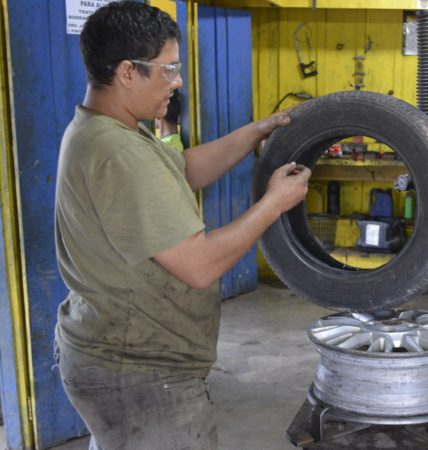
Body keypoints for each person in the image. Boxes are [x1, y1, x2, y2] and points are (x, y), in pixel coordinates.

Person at [53, 2, 310, 449]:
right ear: (127, 72)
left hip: (115, 357)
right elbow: (200, 264)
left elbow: (184, 168)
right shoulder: (120, 153)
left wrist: (255, 132)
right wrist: (274, 203)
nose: (177, 82)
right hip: (139, 375)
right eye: (168, 69)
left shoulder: (108, 131)